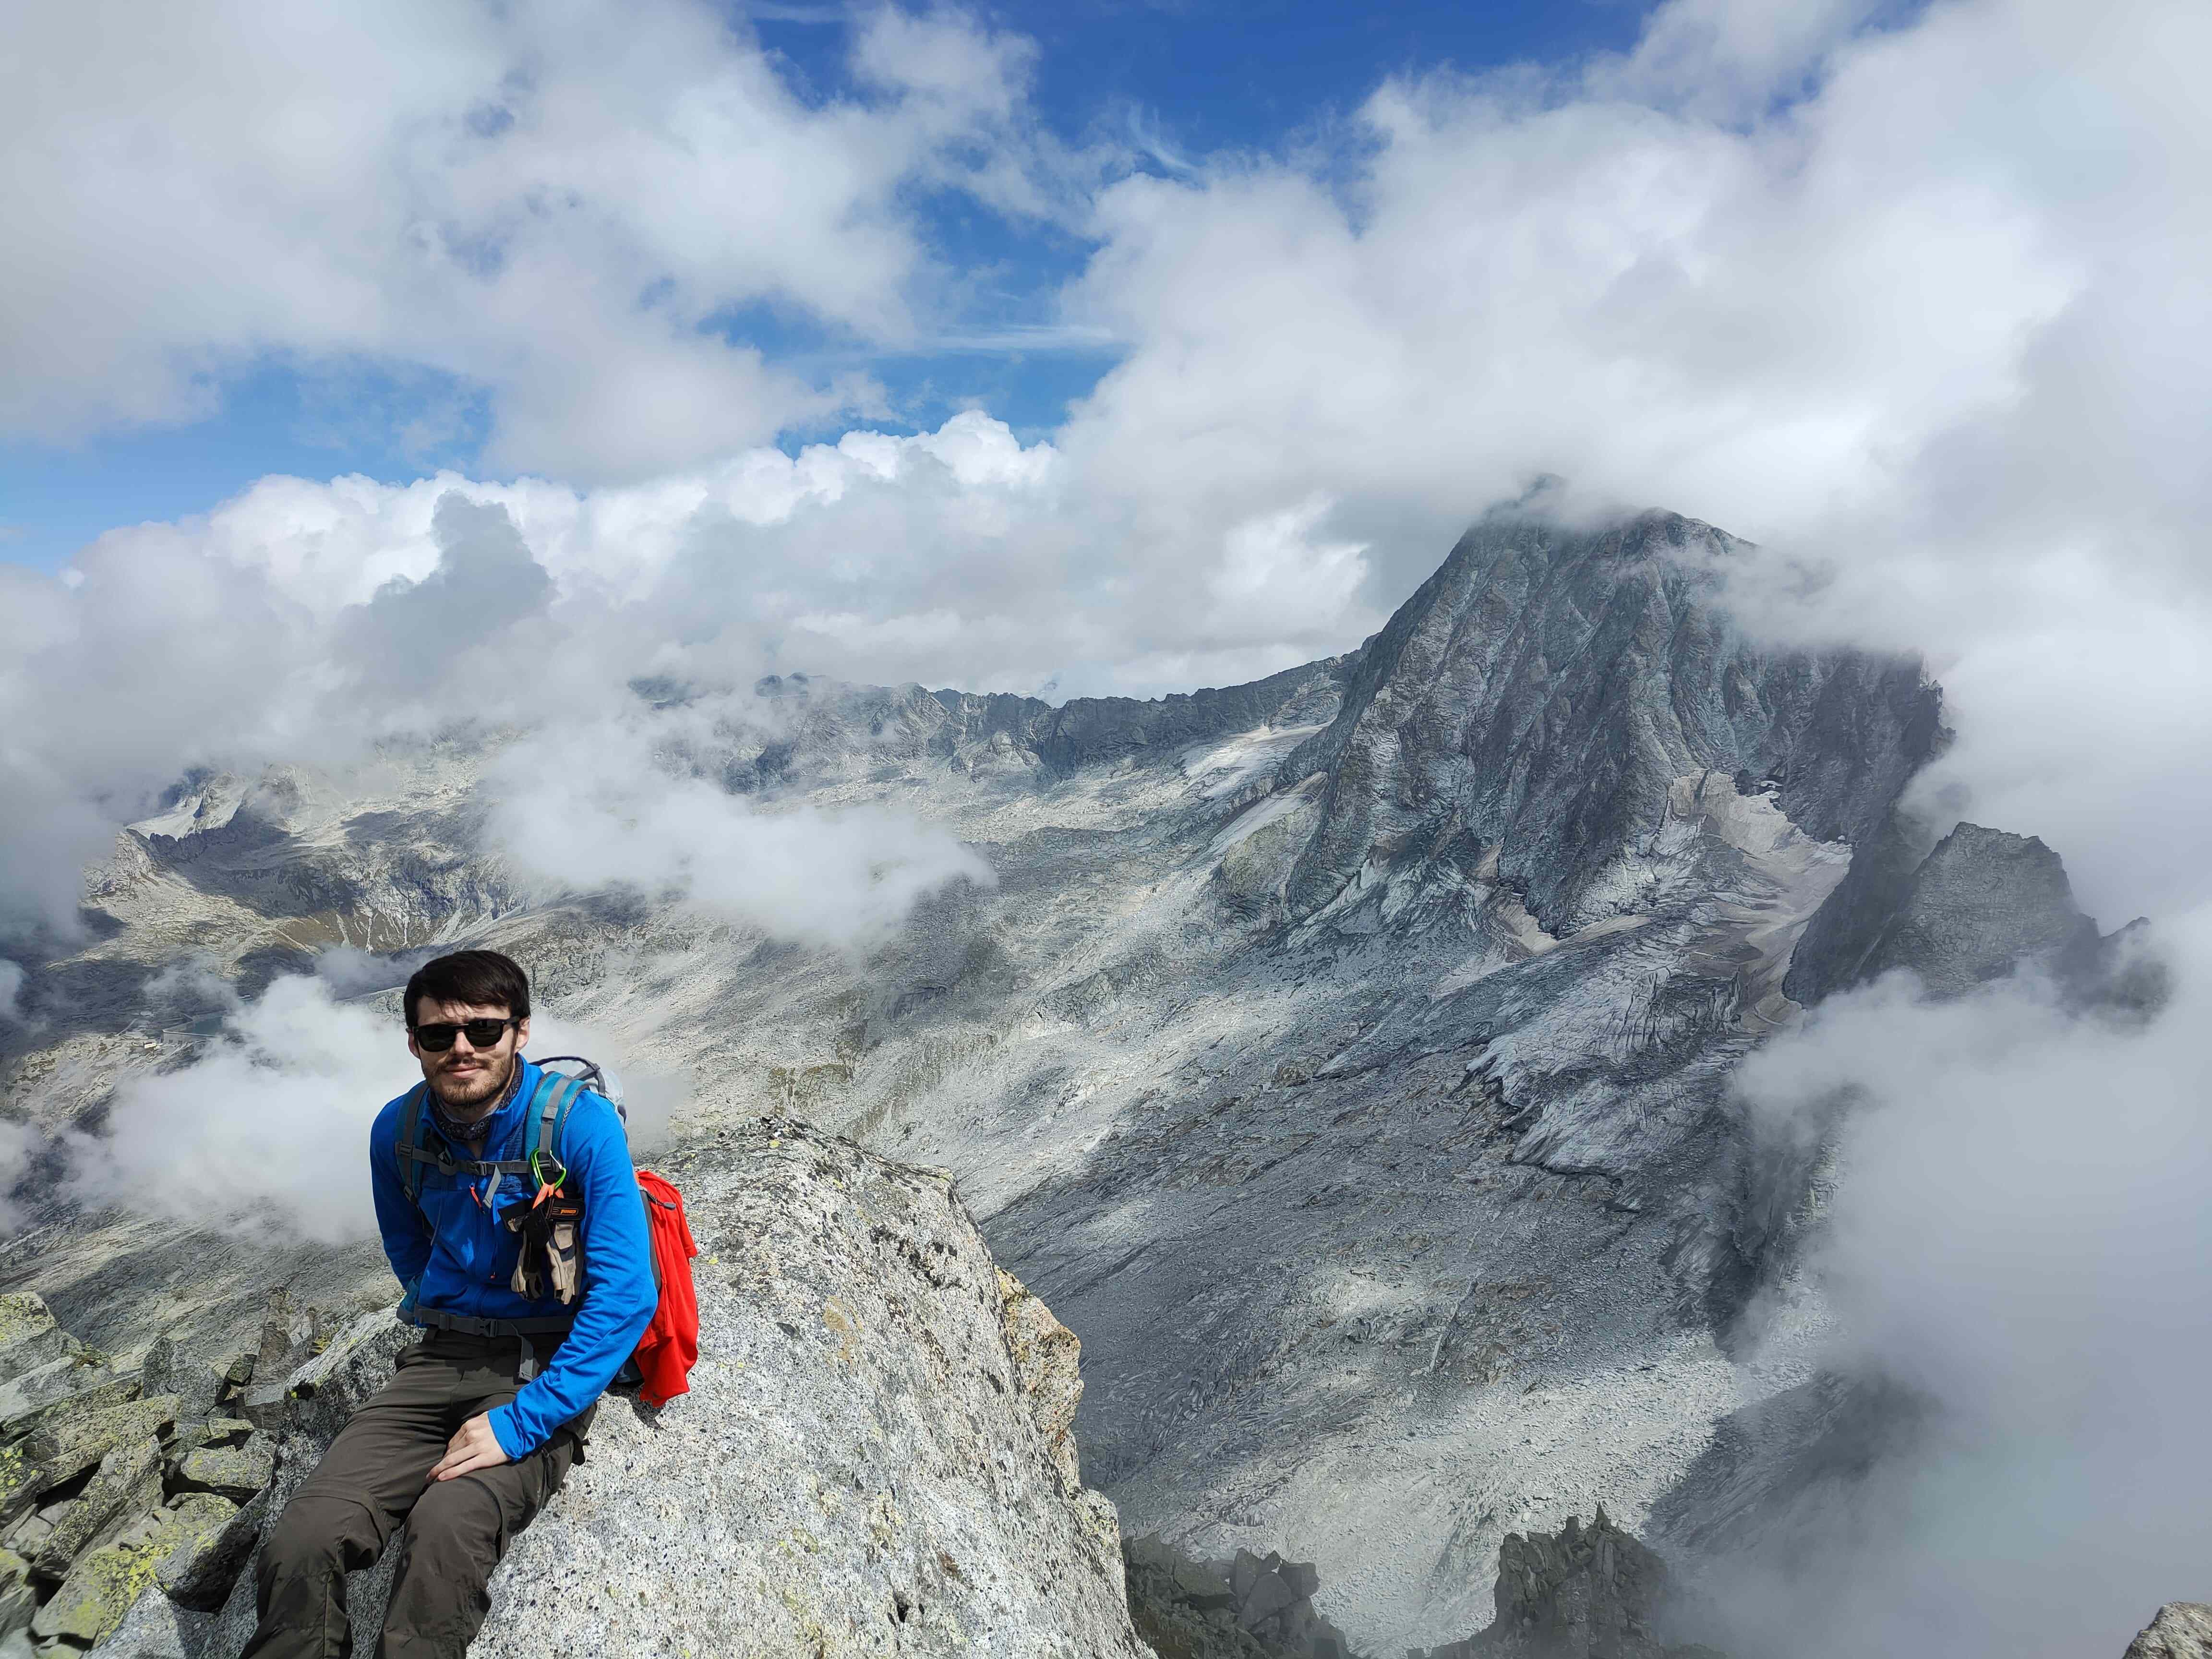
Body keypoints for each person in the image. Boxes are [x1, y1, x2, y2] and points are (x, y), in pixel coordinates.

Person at [243, 950, 656, 1659]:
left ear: (520, 1033)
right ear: (415, 1044)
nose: (461, 1049)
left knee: (444, 1537)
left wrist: (525, 1422)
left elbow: (625, 1296)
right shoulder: (397, 1131)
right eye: (439, 1035)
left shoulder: (580, 1127)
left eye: (484, 1031)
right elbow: (409, 1252)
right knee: (301, 1541)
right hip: (436, 1359)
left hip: (542, 1366)